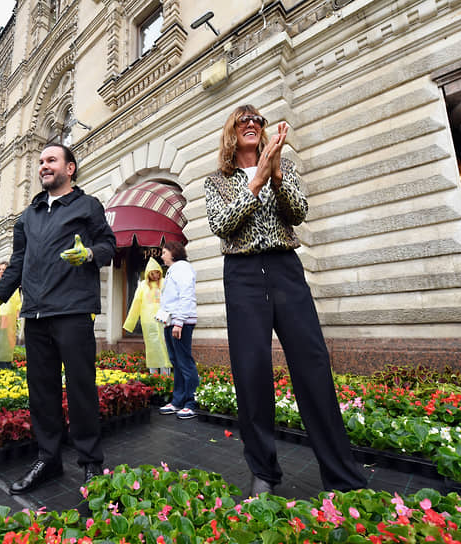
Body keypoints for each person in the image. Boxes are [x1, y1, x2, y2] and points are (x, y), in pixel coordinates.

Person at [204, 105, 366, 497]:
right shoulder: (216, 181)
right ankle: (264, 472)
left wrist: (275, 175)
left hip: (285, 269)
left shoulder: (285, 169)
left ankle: (341, 476)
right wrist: (255, 182)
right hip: (242, 275)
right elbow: (221, 225)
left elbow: (298, 212)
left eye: (257, 120)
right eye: (243, 120)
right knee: (251, 371)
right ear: (231, 133)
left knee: (313, 365)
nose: (251, 124)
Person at [0, 142, 116, 494]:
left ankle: (91, 464)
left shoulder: (88, 206)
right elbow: (18, 262)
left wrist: (88, 254)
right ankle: (48, 459)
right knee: (42, 393)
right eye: (40, 161)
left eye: (51, 160)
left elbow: (109, 245)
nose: (43, 166)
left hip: (73, 311)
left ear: (69, 168)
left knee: (81, 389)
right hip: (36, 314)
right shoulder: (28, 215)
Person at [156, 241, 199, 420]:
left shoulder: (182, 268)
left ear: (173, 253)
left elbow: (186, 295)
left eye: (164, 252)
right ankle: (178, 401)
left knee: (184, 361)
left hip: (180, 322)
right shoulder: (174, 270)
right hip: (171, 322)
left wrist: (179, 322)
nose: (162, 255)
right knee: (177, 361)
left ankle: (191, 403)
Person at [122, 257, 171, 375]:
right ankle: (153, 374)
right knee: (152, 348)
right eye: (152, 273)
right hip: (148, 321)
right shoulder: (143, 285)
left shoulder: (165, 283)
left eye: (157, 273)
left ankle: (165, 374)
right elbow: (136, 304)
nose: (155, 276)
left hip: (163, 319)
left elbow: (171, 299)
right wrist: (130, 323)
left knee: (164, 345)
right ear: (148, 274)